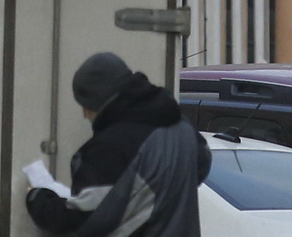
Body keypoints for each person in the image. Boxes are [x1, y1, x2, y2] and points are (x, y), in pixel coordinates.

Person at [27, 52, 211, 236]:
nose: (84, 114)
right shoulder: (180, 125)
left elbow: (85, 219)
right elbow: (202, 164)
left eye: (86, 105)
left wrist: (39, 199)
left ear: (99, 101)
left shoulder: (113, 146)